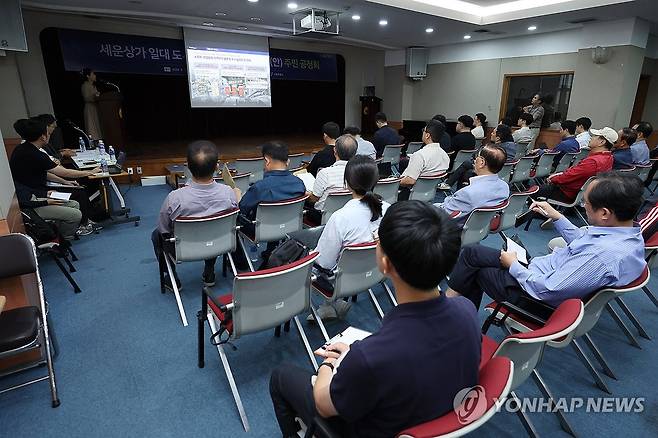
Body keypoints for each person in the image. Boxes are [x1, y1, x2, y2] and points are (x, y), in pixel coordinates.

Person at [270, 201, 480, 438]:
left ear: (385, 263)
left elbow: (323, 404)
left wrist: (328, 364)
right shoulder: (467, 310)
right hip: (435, 414)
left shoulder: (370, 357)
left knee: (281, 377)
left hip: (373, 428)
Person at [447, 171, 646, 309]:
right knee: (473, 253)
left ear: (604, 213)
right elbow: (583, 242)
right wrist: (558, 217)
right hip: (545, 273)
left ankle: (450, 315)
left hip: (534, 296)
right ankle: (452, 311)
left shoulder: (600, 256)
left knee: (474, 268)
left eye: (586, 202)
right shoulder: (629, 235)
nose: (584, 206)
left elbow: (546, 290)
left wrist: (514, 265)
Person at [304, 156, 390, 321]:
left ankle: (329, 305)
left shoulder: (341, 217)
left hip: (343, 280)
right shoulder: (388, 209)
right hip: (378, 271)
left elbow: (323, 263)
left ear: (347, 183)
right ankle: (330, 305)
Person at [152, 141, 241, 289]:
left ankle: (171, 276)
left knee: (156, 235)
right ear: (217, 166)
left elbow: (164, 229)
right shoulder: (228, 193)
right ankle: (209, 270)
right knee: (214, 227)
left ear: (187, 166)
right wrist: (237, 198)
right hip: (218, 243)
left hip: (184, 248)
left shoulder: (175, 198)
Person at [10, 118, 100, 236]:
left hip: (33, 191)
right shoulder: (35, 154)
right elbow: (64, 172)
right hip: (33, 197)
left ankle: (80, 223)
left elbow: (43, 173)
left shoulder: (22, 149)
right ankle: (71, 231)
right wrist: (89, 172)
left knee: (76, 198)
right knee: (79, 195)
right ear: (42, 136)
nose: (49, 135)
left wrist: (64, 182)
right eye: (47, 133)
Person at [239, 141, 306, 262]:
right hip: (290, 226)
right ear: (288, 162)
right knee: (278, 210)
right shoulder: (299, 183)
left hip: (262, 230)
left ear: (267, 160)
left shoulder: (260, 187)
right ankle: (271, 251)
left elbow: (242, 208)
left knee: (236, 220)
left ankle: (240, 262)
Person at [435, 145, 509, 224]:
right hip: (481, 227)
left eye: (477, 157)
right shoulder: (504, 187)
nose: (473, 160)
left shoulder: (468, 193)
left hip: (453, 228)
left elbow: (444, 212)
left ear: (482, 162)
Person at [440, 124, 515, 190]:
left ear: (498, 138)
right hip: (502, 174)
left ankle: (452, 187)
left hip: (490, 171)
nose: (491, 134)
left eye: (493, 132)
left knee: (467, 167)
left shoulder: (497, 151)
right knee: (467, 170)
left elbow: (485, 159)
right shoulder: (512, 147)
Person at [306, 135, 358, 225]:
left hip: (324, 217)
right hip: (349, 215)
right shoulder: (359, 172)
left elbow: (314, 199)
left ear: (335, 151)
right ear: (355, 153)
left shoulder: (325, 173)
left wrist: (306, 193)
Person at [398, 119, 450, 200]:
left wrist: (394, 181)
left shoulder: (419, 155)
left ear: (427, 135)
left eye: (424, 131)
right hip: (430, 195)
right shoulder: (445, 156)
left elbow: (410, 181)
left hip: (410, 196)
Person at [15, 181, 82, 240]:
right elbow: (22, 203)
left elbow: (26, 190)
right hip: (30, 209)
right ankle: (66, 238)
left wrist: (46, 193)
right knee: (76, 215)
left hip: (34, 199)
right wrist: (46, 202)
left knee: (74, 204)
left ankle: (60, 233)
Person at [81, 68, 103, 139]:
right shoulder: (85, 85)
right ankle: (94, 143)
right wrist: (95, 96)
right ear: (88, 76)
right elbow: (86, 98)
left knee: (98, 128)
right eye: (93, 74)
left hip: (95, 108)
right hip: (90, 109)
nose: (95, 75)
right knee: (92, 128)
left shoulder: (94, 86)